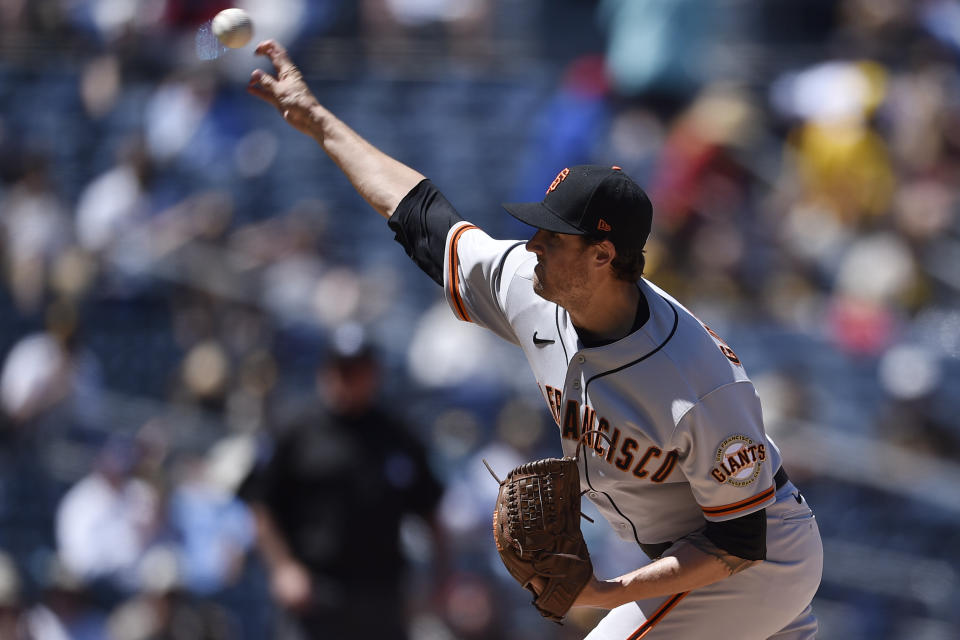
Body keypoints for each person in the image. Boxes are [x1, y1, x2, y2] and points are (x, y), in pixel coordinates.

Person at [246, 40, 823, 639]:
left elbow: (740, 539)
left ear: (603, 255)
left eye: (554, 237)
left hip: (756, 561)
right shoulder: (531, 287)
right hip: (693, 553)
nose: (532, 246)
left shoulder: (696, 380)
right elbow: (421, 217)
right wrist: (318, 122)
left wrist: (606, 592)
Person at [238, 326, 445, 640]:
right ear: (325, 371)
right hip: (315, 593)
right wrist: (283, 568)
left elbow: (431, 512)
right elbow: (260, 504)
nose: (345, 379)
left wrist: (440, 579)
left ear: (373, 375)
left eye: (355, 371)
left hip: (382, 598)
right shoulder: (296, 430)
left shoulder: (397, 437)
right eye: (340, 369)